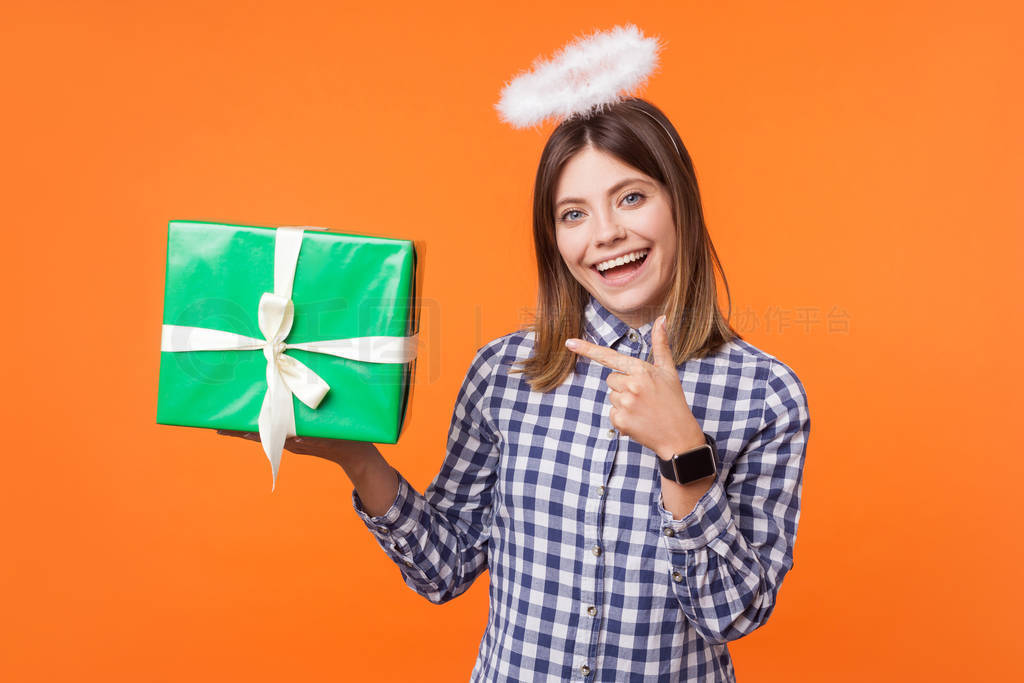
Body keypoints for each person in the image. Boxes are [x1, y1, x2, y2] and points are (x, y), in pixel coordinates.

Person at [223, 27, 810, 682]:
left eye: (632, 197)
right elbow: (443, 570)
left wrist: (683, 452)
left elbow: (731, 615)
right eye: (573, 214)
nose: (607, 233)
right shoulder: (504, 375)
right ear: (553, 238)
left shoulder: (766, 394)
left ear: (681, 204)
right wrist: (355, 456)